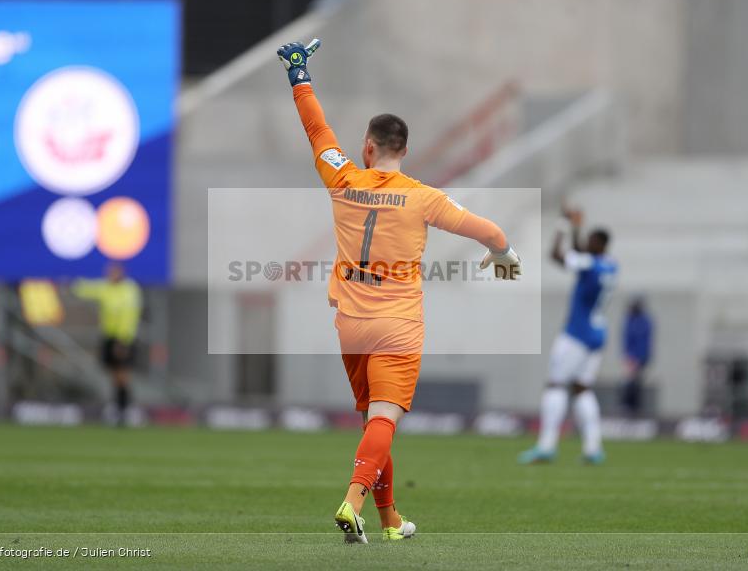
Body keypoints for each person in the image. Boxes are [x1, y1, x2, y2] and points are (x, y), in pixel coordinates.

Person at [276, 39, 521, 543]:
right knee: (385, 419)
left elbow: (317, 130)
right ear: (405, 151)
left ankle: (389, 522)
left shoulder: (342, 176)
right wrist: (502, 255)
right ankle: (351, 502)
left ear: (367, 147)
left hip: (350, 323)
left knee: (373, 423)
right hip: (398, 326)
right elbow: (492, 233)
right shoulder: (424, 198)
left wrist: (299, 75)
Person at [519, 208, 616, 465]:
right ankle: (593, 449)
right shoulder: (609, 264)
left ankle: (546, 445)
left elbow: (556, 255)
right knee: (582, 388)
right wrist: (577, 228)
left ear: (599, 244)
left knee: (556, 384)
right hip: (598, 332)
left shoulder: (590, 264)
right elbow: (582, 251)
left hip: (577, 333)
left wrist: (563, 225)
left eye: (591, 241)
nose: (588, 243)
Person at [72, 262, 142, 426]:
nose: (110, 274)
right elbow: (86, 289)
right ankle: (118, 408)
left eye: (114, 272)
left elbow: (129, 317)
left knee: (122, 375)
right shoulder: (106, 288)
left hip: (123, 339)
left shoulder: (129, 291)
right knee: (114, 375)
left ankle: (125, 409)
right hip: (109, 337)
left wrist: (123, 341)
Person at [621, 296, 653, 416]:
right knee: (629, 381)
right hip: (631, 357)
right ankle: (627, 407)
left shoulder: (645, 321)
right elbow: (626, 340)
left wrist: (639, 358)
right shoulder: (629, 319)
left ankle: (636, 409)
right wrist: (628, 356)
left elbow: (644, 342)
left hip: (641, 357)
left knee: (636, 382)